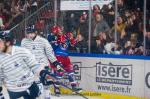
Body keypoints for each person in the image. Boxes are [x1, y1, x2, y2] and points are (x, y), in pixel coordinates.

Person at [0, 30, 55, 99]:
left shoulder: (22, 51)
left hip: (31, 86)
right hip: (14, 91)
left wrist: (42, 72)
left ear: (7, 43)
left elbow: (34, 65)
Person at [21, 25, 63, 98]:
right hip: (32, 67)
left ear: (36, 32)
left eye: (31, 33)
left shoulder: (43, 41)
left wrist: (56, 64)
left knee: (46, 85)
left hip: (44, 65)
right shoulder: (24, 41)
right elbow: (22, 54)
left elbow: (50, 54)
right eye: (28, 33)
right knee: (36, 86)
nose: (29, 35)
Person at [48, 25, 82, 95]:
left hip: (66, 57)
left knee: (70, 71)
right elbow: (53, 44)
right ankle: (56, 89)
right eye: (58, 30)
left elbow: (72, 44)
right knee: (59, 73)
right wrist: (58, 39)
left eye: (60, 30)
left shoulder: (66, 36)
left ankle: (74, 88)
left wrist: (73, 39)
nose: (60, 31)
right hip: (57, 57)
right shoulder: (51, 37)